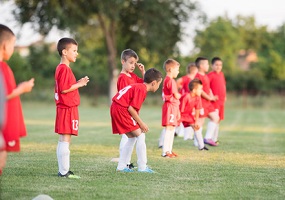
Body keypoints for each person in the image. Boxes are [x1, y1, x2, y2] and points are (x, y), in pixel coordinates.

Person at [111, 68, 162, 173]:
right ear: (153, 83)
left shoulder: (139, 86)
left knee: (132, 137)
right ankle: (142, 167)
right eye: (159, 84)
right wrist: (141, 123)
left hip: (116, 107)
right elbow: (131, 108)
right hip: (121, 109)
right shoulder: (142, 89)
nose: (158, 86)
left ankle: (121, 167)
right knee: (140, 135)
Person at [0, 24, 35, 175]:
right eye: (13, 44)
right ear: (4, 45)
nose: (13, 48)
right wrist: (22, 89)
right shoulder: (2, 68)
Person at [54, 37, 89, 179]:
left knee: (64, 139)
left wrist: (77, 82)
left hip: (67, 108)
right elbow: (64, 89)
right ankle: (64, 172)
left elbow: (67, 86)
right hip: (67, 108)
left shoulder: (63, 68)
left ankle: (63, 170)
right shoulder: (63, 68)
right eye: (74, 51)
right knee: (65, 139)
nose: (76, 53)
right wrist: (79, 84)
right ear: (64, 52)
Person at [115, 49, 145, 169]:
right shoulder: (122, 78)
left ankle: (125, 163)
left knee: (130, 137)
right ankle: (125, 163)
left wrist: (143, 72)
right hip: (126, 111)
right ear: (123, 61)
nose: (133, 66)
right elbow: (124, 96)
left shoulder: (132, 76)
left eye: (134, 63)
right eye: (131, 62)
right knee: (128, 136)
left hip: (132, 111)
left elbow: (144, 85)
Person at [194, 57, 219, 146]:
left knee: (216, 118)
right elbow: (199, 90)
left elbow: (208, 88)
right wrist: (209, 97)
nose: (208, 66)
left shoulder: (205, 76)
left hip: (208, 103)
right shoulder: (197, 76)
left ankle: (207, 138)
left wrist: (212, 96)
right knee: (200, 122)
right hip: (201, 102)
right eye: (207, 64)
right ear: (201, 66)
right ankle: (197, 141)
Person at [159, 59, 181, 158]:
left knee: (172, 128)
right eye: (177, 69)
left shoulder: (169, 80)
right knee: (169, 128)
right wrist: (181, 95)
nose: (178, 71)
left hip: (173, 106)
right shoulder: (170, 80)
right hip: (170, 106)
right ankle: (165, 151)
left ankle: (169, 150)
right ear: (170, 69)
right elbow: (176, 95)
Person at [179, 79, 208, 150]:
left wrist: (196, 121)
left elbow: (197, 109)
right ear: (194, 90)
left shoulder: (198, 98)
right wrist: (178, 119)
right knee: (170, 127)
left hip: (188, 115)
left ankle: (201, 146)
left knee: (197, 127)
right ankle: (163, 144)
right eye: (200, 89)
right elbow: (180, 109)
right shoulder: (186, 96)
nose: (201, 91)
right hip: (180, 114)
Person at [176, 62, 198, 139]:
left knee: (191, 118)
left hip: (193, 100)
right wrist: (178, 91)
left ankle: (188, 135)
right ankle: (179, 132)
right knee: (183, 117)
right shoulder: (185, 78)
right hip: (186, 101)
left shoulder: (195, 79)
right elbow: (178, 82)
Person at [207, 57, 226, 143]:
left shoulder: (221, 74)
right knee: (214, 119)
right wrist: (211, 96)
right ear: (212, 66)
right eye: (216, 65)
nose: (218, 67)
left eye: (220, 65)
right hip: (214, 102)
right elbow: (206, 87)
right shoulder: (210, 75)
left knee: (218, 120)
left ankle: (215, 138)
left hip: (221, 101)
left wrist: (225, 95)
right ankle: (210, 137)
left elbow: (223, 86)